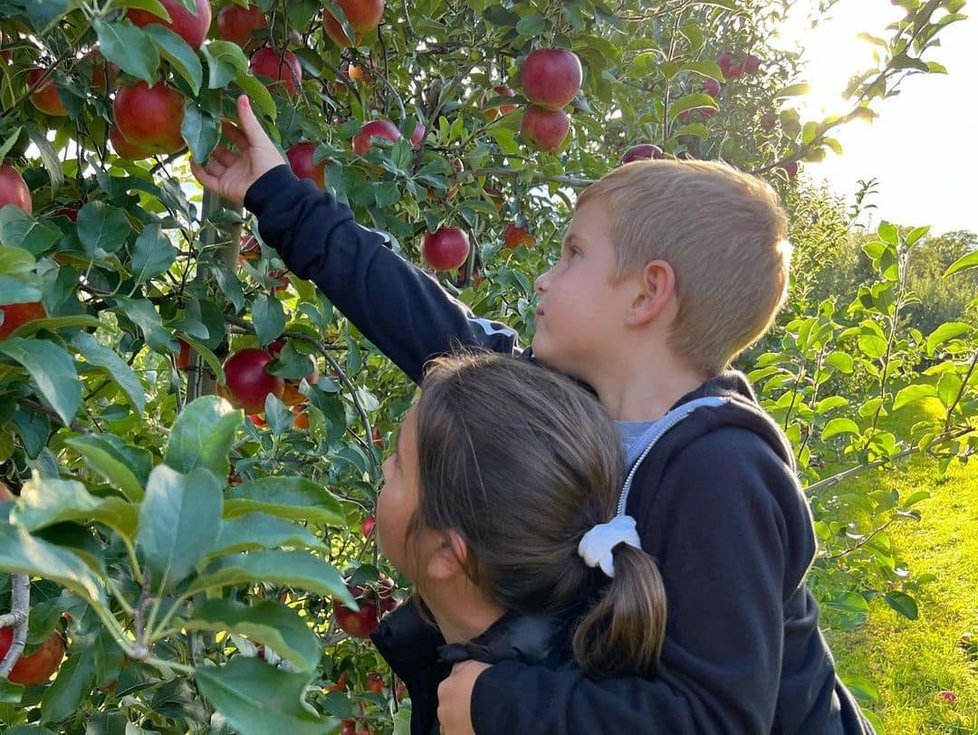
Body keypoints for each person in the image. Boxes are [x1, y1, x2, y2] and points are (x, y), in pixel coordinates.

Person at [192, 95, 876, 734]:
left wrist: (502, 703)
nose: (546, 277)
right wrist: (278, 196)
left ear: (647, 294)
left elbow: (715, 719)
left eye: (574, 253)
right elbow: (413, 315)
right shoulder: (563, 398)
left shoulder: (721, 471)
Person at [370, 351, 667, 734]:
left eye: (399, 463)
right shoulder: (539, 683)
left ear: (445, 552)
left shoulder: (495, 715)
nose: (385, 467)